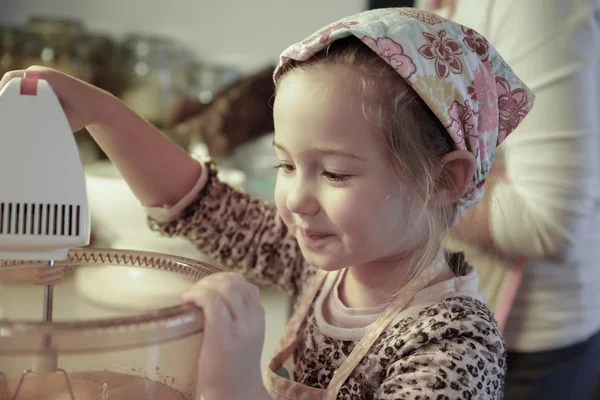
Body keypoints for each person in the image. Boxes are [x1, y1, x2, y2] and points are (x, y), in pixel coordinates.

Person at [0, 8, 535, 399]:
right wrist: (103, 114)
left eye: (334, 173)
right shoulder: (324, 264)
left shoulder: (455, 347)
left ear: (444, 181)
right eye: (285, 165)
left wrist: (237, 389)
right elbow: (202, 204)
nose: (296, 199)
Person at [421, 0, 600, 398]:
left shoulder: (531, 8)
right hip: (454, 314)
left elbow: (549, 222)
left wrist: (404, 185)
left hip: (525, 344)